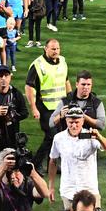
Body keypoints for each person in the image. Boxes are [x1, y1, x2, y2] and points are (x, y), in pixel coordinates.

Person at [48, 106, 106, 209]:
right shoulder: (59, 138)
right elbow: (53, 161)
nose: (74, 125)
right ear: (66, 121)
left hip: (90, 191)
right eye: (71, 122)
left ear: (82, 121)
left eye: (77, 122)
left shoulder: (91, 136)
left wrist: (99, 137)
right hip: (68, 190)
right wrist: (51, 187)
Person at [25, 39, 72, 173]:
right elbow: (29, 87)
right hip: (45, 107)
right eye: (52, 49)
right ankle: (35, 163)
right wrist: (33, 107)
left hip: (61, 107)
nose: (55, 51)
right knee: (52, 136)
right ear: (45, 49)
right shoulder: (38, 65)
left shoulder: (62, 61)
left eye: (57, 48)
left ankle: (51, 164)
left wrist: (70, 99)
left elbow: (66, 80)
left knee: (58, 136)